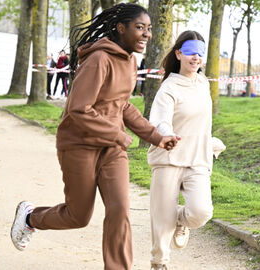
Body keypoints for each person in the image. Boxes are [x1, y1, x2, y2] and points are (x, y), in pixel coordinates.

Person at [10, 3, 179, 270]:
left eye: (148, 28)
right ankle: (31, 218)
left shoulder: (131, 61)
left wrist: (156, 136)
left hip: (111, 150)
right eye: (139, 28)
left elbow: (121, 104)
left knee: (120, 210)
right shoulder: (99, 59)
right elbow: (79, 109)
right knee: (78, 216)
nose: (146, 34)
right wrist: (118, 134)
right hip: (79, 145)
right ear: (120, 28)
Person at [147, 30, 226, 270]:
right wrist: (166, 132)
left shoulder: (202, 83)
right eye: (191, 52)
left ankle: (180, 220)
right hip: (169, 157)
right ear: (179, 53)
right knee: (161, 220)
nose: (196, 57)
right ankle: (159, 263)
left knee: (201, 212)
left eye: (200, 53)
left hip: (198, 158)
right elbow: (161, 118)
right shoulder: (169, 88)